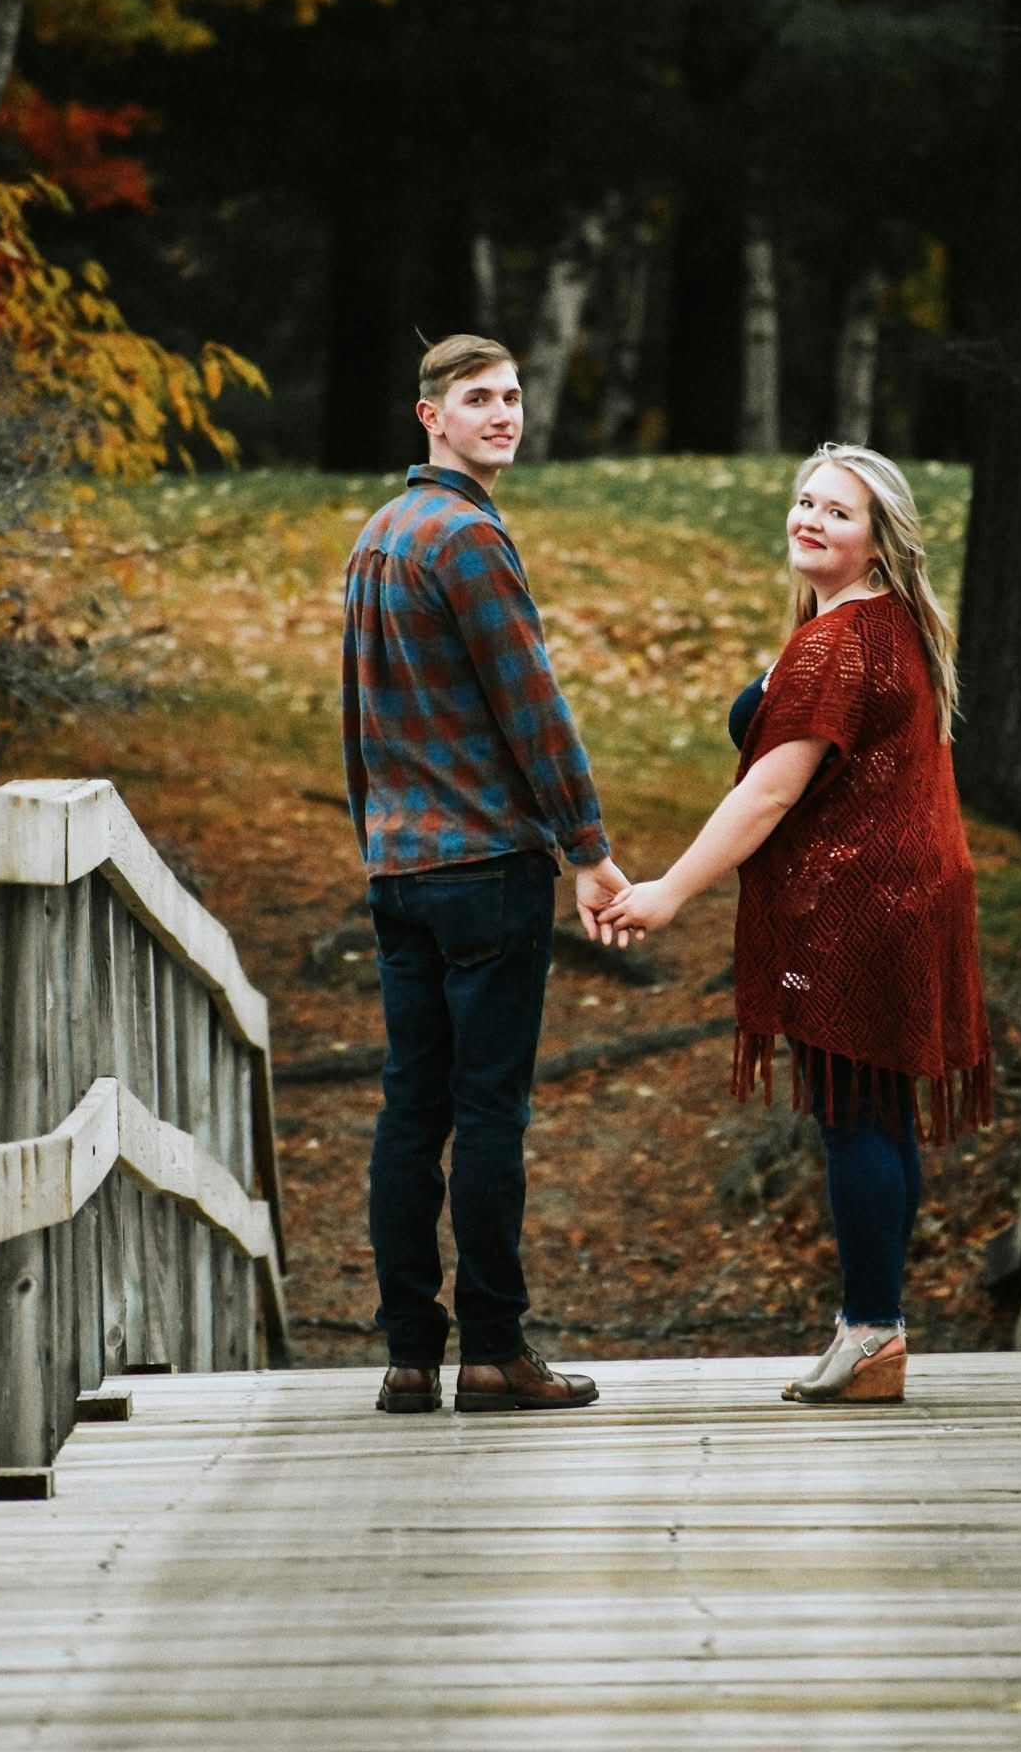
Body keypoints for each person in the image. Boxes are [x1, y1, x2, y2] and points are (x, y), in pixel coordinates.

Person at [599, 443, 990, 1404]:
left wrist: (667, 890)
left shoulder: (839, 641)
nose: (810, 520)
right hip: (909, 892)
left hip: (852, 906)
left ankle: (868, 1331)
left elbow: (769, 794)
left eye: (837, 513)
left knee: (852, 1114)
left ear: (877, 540)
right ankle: (876, 1327)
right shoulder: (889, 625)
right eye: (803, 502)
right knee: (880, 1114)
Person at [342, 333, 629, 1414]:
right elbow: (534, 711)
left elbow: (357, 721)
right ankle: (496, 1347)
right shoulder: (466, 539)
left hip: (402, 867)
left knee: (410, 1110)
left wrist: (377, 838)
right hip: (487, 869)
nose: (503, 414)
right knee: (487, 1110)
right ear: (432, 416)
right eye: (478, 398)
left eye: (512, 395)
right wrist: (590, 850)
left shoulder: (379, 535)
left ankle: (411, 1353)